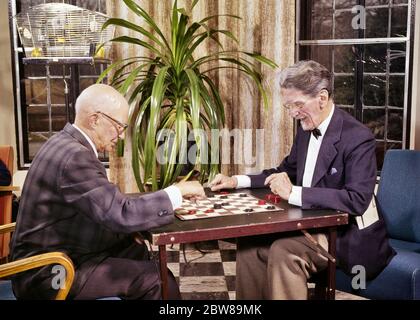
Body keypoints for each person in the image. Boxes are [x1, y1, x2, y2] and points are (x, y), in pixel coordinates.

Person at [209, 60, 395, 300]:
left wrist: (294, 193)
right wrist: (237, 181)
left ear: (322, 97)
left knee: (283, 252)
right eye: (288, 106)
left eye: (297, 104)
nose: (293, 113)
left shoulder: (358, 137)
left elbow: (357, 200)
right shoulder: (306, 130)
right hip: (305, 227)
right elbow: (284, 172)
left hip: (344, 234)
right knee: (250, 247)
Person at [10, 84, 206, 300]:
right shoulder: (75, 157)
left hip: (59, 255)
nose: (121, 136)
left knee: (135, 249)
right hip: (47, 274)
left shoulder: (63, 143)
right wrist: (177, 191)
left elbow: (98, 208)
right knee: (157, 279)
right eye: (119, 126)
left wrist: (128, 229)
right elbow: (119, 212)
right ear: (95, 119)